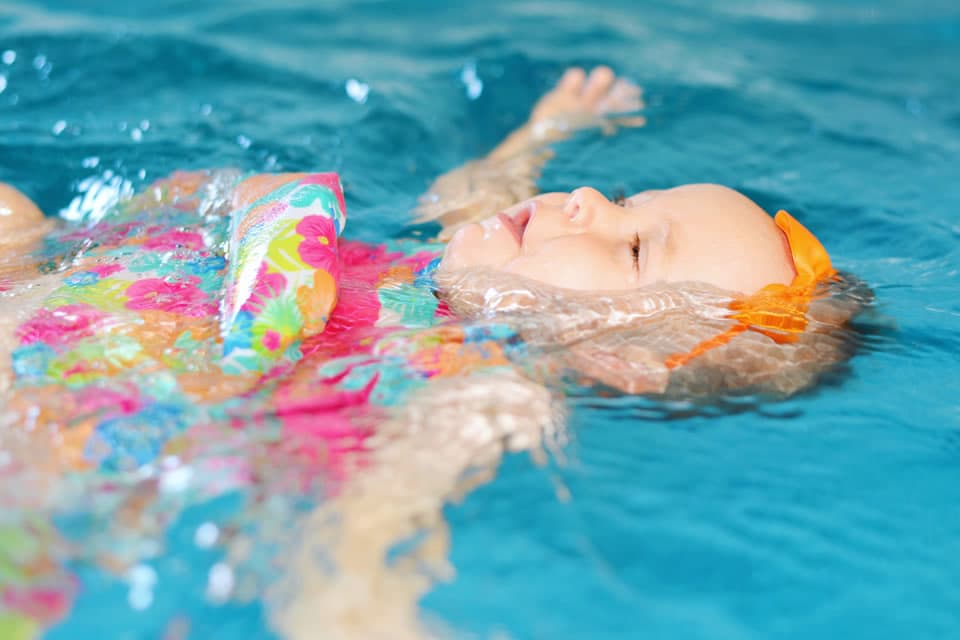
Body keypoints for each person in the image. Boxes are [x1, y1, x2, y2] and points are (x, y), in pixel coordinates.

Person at [0, 67, 864, 638]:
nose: (594, 197)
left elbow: (372, 525)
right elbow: (483, 191)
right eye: (629, 193)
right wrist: (546, 127)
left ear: (622, 360)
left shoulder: (493, 393)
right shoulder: (458, 266)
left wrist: (361, 610)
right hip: (84, 295)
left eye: (635, 247)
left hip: (95, 414)